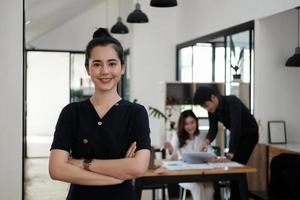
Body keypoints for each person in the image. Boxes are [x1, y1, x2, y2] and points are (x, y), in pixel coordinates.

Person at [49, 28, 151, 200]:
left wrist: (83, 163)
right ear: (88, 69)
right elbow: (56, 169)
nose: (105, 71)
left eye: (112, 63)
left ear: (122, 67)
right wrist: (116, 177)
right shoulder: (72, 113)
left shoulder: (136, 113)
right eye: (97, 64)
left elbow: (138, 167)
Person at [193, 86, 258, 200]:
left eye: (207, 105)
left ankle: (239, 197)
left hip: (250, 135)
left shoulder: (232, 101)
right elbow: (213, 129)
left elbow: (236, 127)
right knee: (234, 168)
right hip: (238, 137)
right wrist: (206, 142)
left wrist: (230, 154)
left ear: (213, 98)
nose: (207, 109)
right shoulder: (212, 110)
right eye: (204, 107)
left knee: (236, 167)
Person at [164, 110, 215, 200]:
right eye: (186, 124)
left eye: (192, 122)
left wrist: (212, 156)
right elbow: (173, 153)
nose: (190, 126)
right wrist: (170, 149)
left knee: (210, 189)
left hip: (202, 173)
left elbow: (211, 152)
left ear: (196, 122)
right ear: (182, 125)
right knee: (197, 187)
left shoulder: (203, 135)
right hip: (183, 174)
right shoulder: (177, 136)